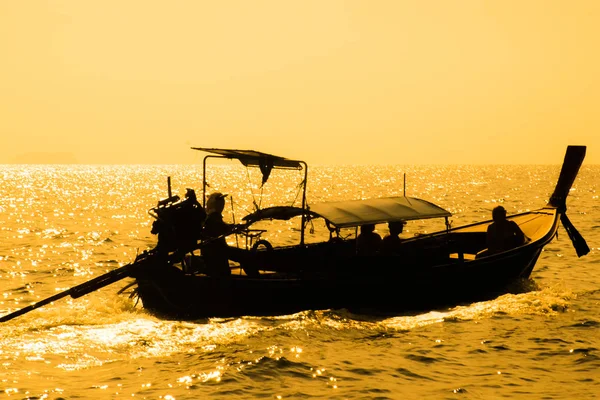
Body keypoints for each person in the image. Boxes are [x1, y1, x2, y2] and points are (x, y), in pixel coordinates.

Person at [201, 192, 236, 277]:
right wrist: (231, 228)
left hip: (219, 250)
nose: (222, 204)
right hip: (217, 252)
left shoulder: (213, 217)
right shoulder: (212, 218)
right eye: (220, 201)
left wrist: (232, 227)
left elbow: (222, 226)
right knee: (246, 256)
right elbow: (220, 227)